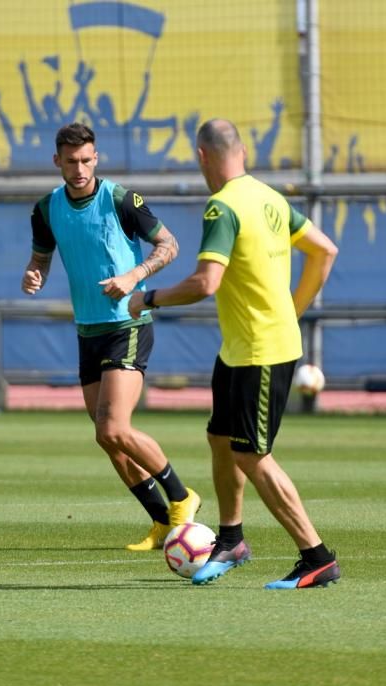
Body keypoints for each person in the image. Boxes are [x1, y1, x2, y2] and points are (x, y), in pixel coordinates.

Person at [128, 118, 340, 589]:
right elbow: (325, 251)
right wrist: (293, 309)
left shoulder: (221, 208)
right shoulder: (270, 197)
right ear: (241, 152)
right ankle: (231, 538)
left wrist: (149, 297)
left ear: (202, 156)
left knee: (252, 455)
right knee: (220, 439)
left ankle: (317, 556)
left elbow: (206, 283)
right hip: (242, 349)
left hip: (261, 352)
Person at [21, 122, 200, 551]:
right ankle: (161, 522)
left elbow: (169, 245)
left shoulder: (121, 199)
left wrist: (135, 275)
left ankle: (181, 496)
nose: (79, 168)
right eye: (71, 161)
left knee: (115, 425)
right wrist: (34, 275)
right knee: (105, 436)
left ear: (96, 157)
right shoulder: (46, 210)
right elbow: (40, 259)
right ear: (57, 162)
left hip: (128, 325)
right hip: (88, 330)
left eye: (86, 160)